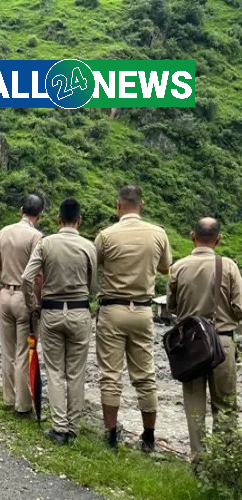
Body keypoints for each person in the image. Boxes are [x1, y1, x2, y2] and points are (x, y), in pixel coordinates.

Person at [95, 185, 172, 452]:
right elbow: (164, 267)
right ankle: (149, 437)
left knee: (110, 375)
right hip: (142, 310)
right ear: (142, 204)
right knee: (145, 375)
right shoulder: (158, 233)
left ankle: (111, 436)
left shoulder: (106, 235)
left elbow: (98, 263)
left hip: (112, 310)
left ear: (118, 205)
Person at [21, 198, 97, 444]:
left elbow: (26, 279)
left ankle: (59, 427)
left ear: (58, 220)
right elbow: (93, 286)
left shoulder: (46, 243)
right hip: (79, 312)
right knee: (76, 372)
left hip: (51, 313)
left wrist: (34, 304)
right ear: (79, 220)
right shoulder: (89, 247)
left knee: (54, 371)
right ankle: (73, 427)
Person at [167, 218, 242, 459]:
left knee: (194, 406)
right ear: (218, 239)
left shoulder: (178, 267)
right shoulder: (228, 266)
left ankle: (199, 460)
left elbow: (172, 306)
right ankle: (225, 461)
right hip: (222, 341)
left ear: (192, 236)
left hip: (190, 345)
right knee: (226, 406)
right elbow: (240, 308)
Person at [0, 194, 44, 418]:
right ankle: (23, 405)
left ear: (21, 209)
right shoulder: (37, 237)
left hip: (4, 293)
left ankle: (9, 397)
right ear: (39, 215)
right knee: (23, 352)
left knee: (8, 350)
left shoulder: (4, 232)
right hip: (24, 297)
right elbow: (38, 276)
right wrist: (36, 303)